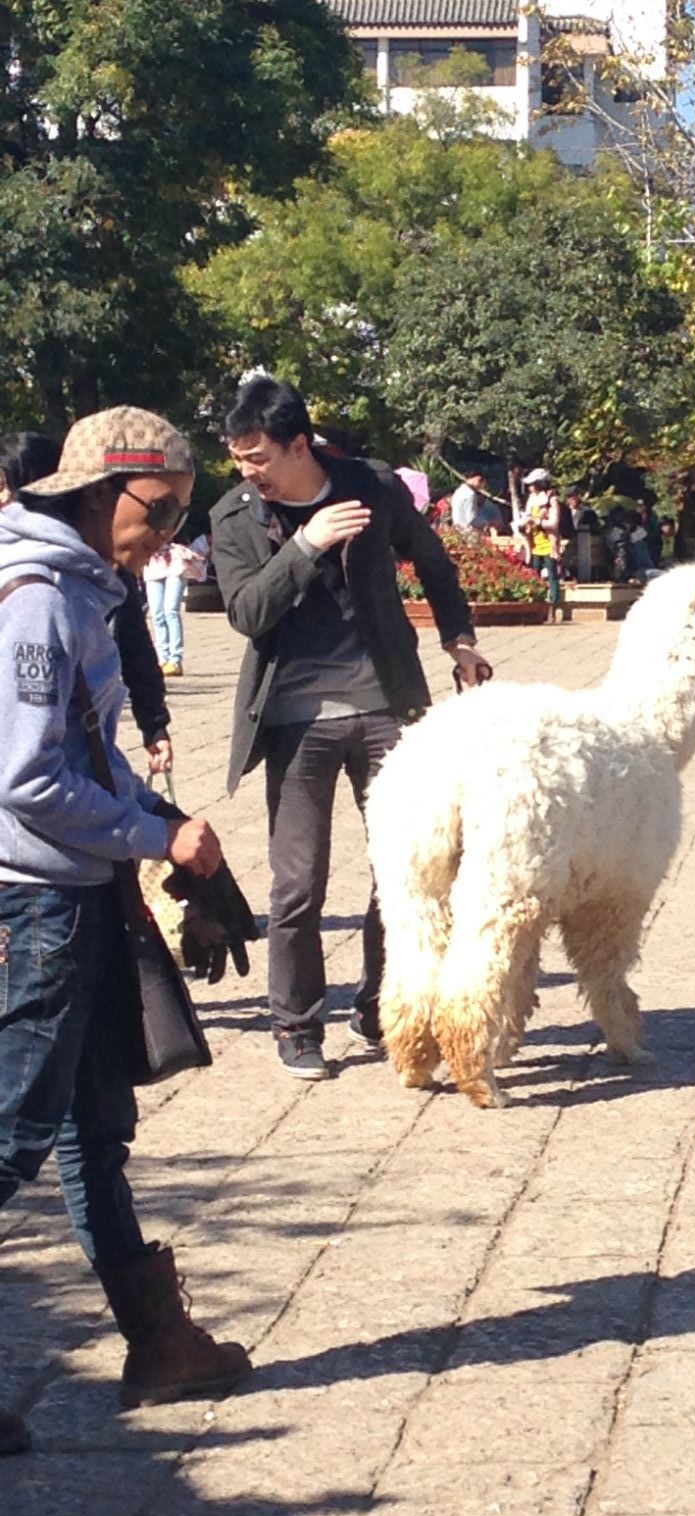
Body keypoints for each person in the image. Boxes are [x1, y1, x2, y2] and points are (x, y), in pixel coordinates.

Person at [0, 407, 254, 1454]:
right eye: (163, 509)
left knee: (91, 1126)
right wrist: (154, 835)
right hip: (39, 903)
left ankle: (158, 1344)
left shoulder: (74, 590)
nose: (170, 534)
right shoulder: (35, 604)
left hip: (80, 894)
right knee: (13, 1129)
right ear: (106, 490)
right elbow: (27, 781)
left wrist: (160, 830)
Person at [212, 376, 490, 1081]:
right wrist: (304, 544)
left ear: (299, 444)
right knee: (297, 882)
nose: (246, 471)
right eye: (238, 457)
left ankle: (380, 1002)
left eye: (256, 456)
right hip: (294, 721)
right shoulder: (235, 514)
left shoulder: (369, 485)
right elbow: (245, 612)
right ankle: (297, 1025)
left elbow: (431, 562)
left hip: (384, 706)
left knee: (402, 868)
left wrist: (458, 640)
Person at [143, 521, 210, 676]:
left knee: (171, 611)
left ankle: (175, 660)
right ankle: (163, 659)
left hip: (175, 562)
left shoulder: (174, 514)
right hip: (153, 564)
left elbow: (182, 536)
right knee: (157, 614)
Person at [521, 468, 564, 618]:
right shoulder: (531, 499)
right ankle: (534, 605)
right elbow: (526, 516)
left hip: (548, 544)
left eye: (532, 483)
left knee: (552, 576)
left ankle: (553, 607)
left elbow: (554, 523)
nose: (530, 487)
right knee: (534, 575)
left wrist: (537, 521)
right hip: (534, 545)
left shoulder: (551, 500)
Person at [565, 486, 599, 580]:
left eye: (575, 497)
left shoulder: (588, 512)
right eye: (571, 498)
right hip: (569, 538)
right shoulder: (563, 511)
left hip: (584, 540)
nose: (573, 500)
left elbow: (594, 525)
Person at [450, 471, 490, 542]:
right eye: (483, 484)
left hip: (457, 530)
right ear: (479, 479)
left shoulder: (458, 491)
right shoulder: (470, 494)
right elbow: (472, 519)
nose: (481, 488)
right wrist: (486, 522)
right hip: (469, 534)